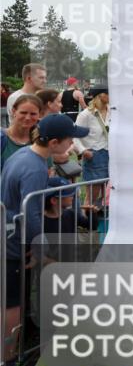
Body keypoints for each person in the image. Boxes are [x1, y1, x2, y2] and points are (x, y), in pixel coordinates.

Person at [2, 114, 90, 307]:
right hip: (15, 240)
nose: (72, 143)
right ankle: (12, 337)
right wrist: (40, 251)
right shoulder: (34, 167)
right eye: (70, 139)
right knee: (13, 304)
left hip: (11, 232)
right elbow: (31, 213)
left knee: (17, 297)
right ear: (54, 142)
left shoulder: (26, 153)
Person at [73, 86, 110, 184]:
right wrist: (83, 151)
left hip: (111, 155)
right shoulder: (86, 115)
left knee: (107, 194)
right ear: (99, 96)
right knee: (93, 195)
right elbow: (75, 136)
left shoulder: (113, 111)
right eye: (107, 93)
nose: (110, 96)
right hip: (94, 156)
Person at [1, 94, 42, 172]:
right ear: (13, 111)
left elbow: (48, 170)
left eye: (33, 114)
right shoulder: (2, 139)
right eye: (23, 113)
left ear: (39, 114)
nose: (27, 118)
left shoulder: (41, 139)